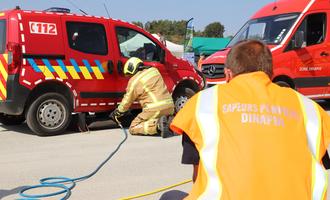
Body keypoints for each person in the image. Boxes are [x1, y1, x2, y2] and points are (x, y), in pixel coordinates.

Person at [165, 39, 330, 200]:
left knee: (169, 197)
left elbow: (197, 179)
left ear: (228, 73)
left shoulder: (203, 105)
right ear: (270, 74)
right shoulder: (308, 108)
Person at [110, 57, 175, 138]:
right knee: (156, 118)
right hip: (170, 107)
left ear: (131, 69)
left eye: (129, 75)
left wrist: (118, 112)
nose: (130, 77)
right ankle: (170, 122)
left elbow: (127, 101)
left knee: (133, 127)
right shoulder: (154, 71)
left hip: (155, 108)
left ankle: (158, 125)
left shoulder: (134, 81)